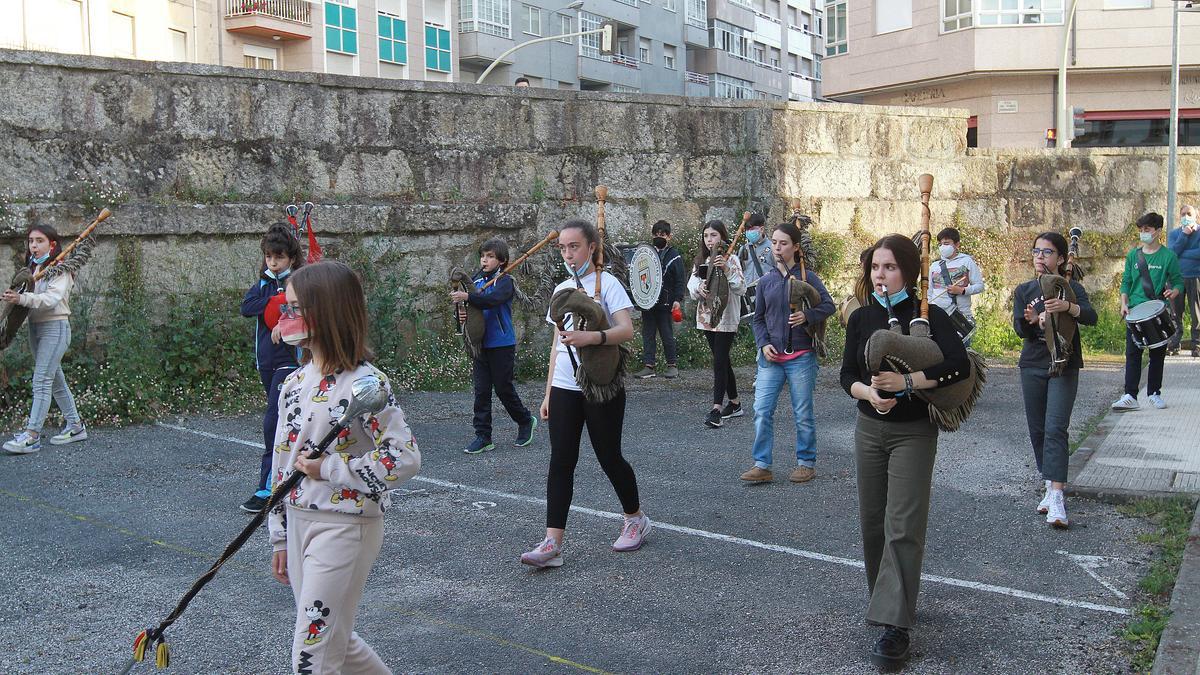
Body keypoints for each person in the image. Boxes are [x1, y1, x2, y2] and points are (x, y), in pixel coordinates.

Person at [268, 260, 421, 675]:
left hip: (345, 525)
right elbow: (283, 461)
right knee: (336, 639)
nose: (286, 317)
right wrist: (279, 535)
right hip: (300, 520)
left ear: (327, 311)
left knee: (311, 657)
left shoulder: (366, 384)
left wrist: (332, 469)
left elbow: (404, 456)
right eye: (287, 306)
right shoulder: (294, 382)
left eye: (296, 308)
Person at [839, 234, 971, 671]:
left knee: (903, 523)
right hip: (869, 428)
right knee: (873, 521)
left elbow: (959, 366)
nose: (881, 274)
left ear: (909, 272)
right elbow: (846, 377)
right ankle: (889, 598)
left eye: (890, 267)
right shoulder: (862, 317)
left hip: (913, 432)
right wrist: (870, 394)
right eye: (876, 267)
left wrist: (910, 382)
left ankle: (895, 626)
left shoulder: (928, 314)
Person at [520, 219, 649, 568]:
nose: (567, 253)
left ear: (591, 247)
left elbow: (626, 331)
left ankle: (635, 518)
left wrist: (592, 337)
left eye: (573, 246)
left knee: (609, 457)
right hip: (565, 385)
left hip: (600, 383)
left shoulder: (607, 284)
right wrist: (548, 393)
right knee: (561, 461)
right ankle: (552, 544)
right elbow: (555, 346)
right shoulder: (562, 289)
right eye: (562, 247)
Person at [1013, 232, 1097, 529]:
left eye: (1047, 252)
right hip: (1033, 364)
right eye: (1036, 251)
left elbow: (1090, 316)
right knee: (1038, 430)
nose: (1040, 257)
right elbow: (1020, 330)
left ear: (1061, 258)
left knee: (1055, 427)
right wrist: (1033, 321)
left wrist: (1068, 308)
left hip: (1064, 364)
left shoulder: (1071, 287)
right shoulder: (1024, 290)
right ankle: (1049, 485)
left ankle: (1058, 496)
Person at [742, 221, 835, 484]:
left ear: (795, 247)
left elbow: (829, 306)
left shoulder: (808, 277)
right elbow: (757, 318)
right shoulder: (766, 281)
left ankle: (806, 463)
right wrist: (763, 344)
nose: (777, 247)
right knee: (762, 410)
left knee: (802, 411)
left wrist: (807, 315)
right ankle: (762, 465)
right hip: (771, 356)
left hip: (801, 356)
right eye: (774, 242)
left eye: (783, 243)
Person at [2, 225, 87, 455]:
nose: (33, 245)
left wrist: (22, 298)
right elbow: (28, 299)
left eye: (39, 241)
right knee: (55, 380)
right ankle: (76, 427)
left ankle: (32, 436)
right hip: (36, 328)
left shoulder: (61, 268)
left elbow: (50, 299)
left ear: (52, 244)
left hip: (55, 328)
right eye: (31, 241)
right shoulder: (33, 268)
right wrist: (15, 297)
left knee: (41, 381)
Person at [449, 238, 537, 454]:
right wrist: (462, 312)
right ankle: (483, 436)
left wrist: (469, 296)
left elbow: (492, 300)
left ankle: (525, 420)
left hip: (501, 344)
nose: (484, 260)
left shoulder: (505, 281)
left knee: (503, 389)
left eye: (490, 256)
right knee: (481, 391)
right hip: (481, 345)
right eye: (483, 256)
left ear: (502, 260)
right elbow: (472, 308)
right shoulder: (476, 281)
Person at [238, 224, 304, 513]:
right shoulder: (263, 284)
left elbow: (305, 311)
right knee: (285, 423)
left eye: (278, 257)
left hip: (289, 359)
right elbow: (247, 306)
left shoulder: (300, 283)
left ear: (290, 257)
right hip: (265, 361)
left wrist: (284, 312)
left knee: (273, 421)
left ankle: (267, 488)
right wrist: (276, 302)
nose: (273, 262)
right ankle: (290, 476)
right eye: (268, 257)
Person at [1113, 212, 1183, 411]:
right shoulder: (1133, 255)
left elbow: (1178, 282)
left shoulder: (1168, 256)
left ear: (1158, 231)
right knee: (1133, 354)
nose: (1143, 233)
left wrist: (1174, 292)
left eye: (1147, 230)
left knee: (1157, 354)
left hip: (1156, 310)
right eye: (1141, 230)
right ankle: (1130, 396)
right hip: (1134, 312)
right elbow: (1126, 282)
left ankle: (1154, 393)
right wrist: (1123, 303)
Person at [686, 220, 747, 428]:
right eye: (706, 236)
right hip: (706, 316)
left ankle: (716, 409)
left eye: (713, 235)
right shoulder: (701, 260)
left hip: (726, 317)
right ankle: (736, 403)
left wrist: (727, 270)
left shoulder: (732, 259)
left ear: (722, 236)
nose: (709, 240)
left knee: (719, 360)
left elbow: (741, 288)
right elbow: (692, 284)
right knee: (722, 359)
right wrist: (699, 288)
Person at [633, 220, 684, 379]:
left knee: (666, 334)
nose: (658, 237)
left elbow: (680, 280)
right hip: (648, 302)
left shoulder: (674, 256)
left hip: (665, 302)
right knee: (647, 334)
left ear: (669, 236)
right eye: (656, 234)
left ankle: (672, 365)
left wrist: (677, 299)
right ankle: (649, 366)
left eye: (662, 234)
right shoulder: (646, 254)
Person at [927, 227, 985, 347]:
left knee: (963, 353)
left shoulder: (967, 261)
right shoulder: (934, 266)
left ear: (957, 244)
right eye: (940, 244)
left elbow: (979, 286)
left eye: (946, 243)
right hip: (938, 316)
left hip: (959, 316)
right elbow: (929, 291)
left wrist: (962, 290)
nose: (943, 246)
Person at [1167, 204, 1200, 357]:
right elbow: (1172, 253)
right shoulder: (1174, 234)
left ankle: (1197, 345)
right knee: (1175, 313)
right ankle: (1174, 344)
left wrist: (1183, 253)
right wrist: (1185, 234)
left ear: (1195, 216)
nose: (1186, 217)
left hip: (1196, 277)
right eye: (1183, 214)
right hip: (1176, 278)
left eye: (1189, 214)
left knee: (1197, 314)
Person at [738, 213, 772, 320]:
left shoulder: (773, 248)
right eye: (747, 229)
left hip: (768, 294)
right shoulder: (744, 249)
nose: (749, 232)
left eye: (752, 229)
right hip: (749, 297)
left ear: (761, 229)